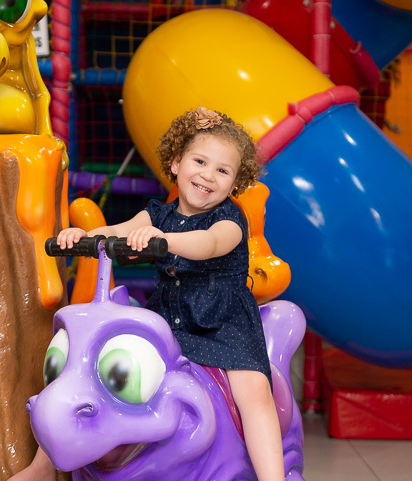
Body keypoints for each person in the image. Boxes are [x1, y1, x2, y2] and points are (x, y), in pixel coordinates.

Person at [55, 106, 284, 481]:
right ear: (176, 163)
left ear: (234, 183)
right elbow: (117, 230)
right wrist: (83, 236)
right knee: (88, 365)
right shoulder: (156, 214)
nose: (208, 175)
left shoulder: (228, 220)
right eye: (200, 161)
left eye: (223, 171)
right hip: (168, 320)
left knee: (254, 391)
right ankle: (46, 466)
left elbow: (208, 244)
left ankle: (272, 478)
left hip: (222, 325)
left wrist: (164, 240)